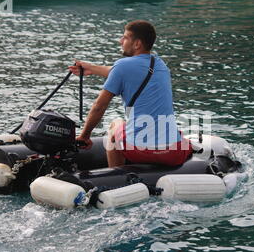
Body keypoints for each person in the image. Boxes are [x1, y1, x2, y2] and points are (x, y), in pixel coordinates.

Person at [69, 20, 192, 168]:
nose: (121, 41)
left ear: (137, 44)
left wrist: (85, 135)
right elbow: (120, 72)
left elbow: (98, 107)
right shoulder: (160, 65)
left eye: (125, 37)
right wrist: (91, 68)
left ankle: (115, 175)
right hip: (174, 154)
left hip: (140, 150)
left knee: (116, 124)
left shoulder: (122, 66)